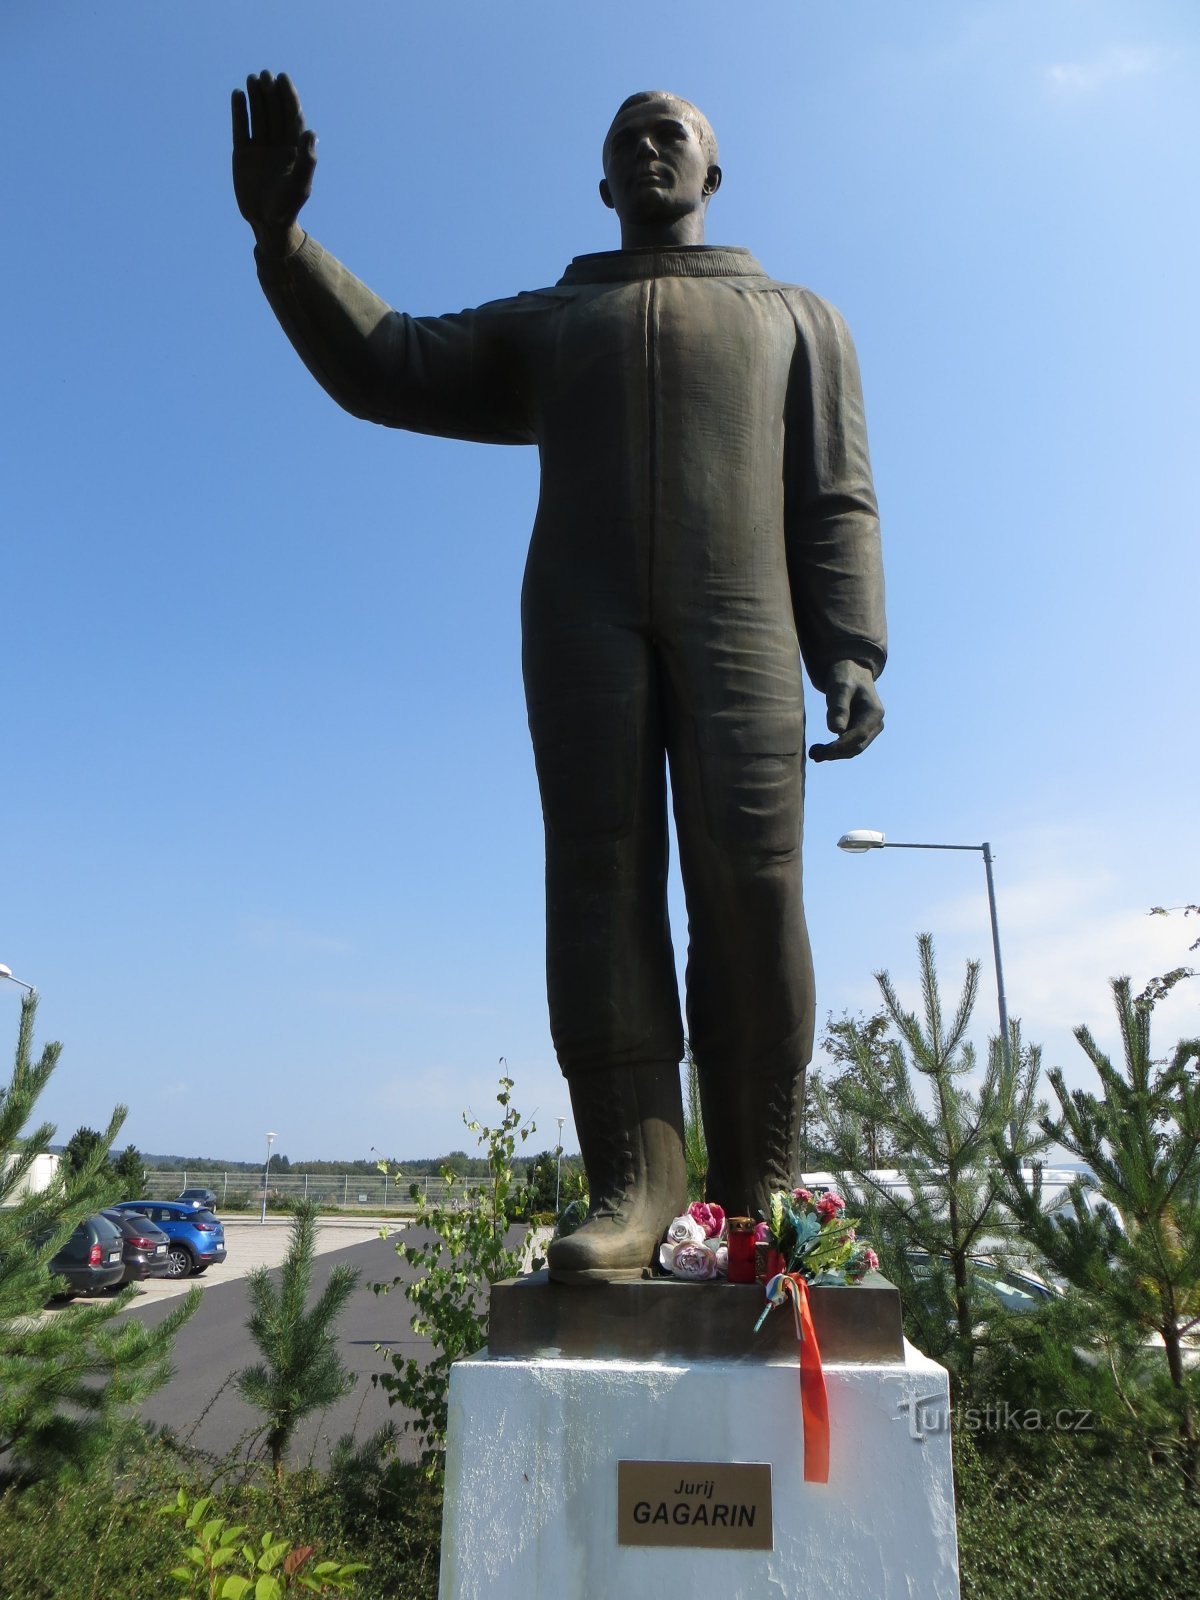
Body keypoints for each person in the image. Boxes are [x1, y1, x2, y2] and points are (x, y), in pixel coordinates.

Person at [232, 75, 887, 1283]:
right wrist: (284, 246)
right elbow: (394, 363)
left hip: (745, 615)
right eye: (627, 141)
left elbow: (834, 494)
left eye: (670, 136)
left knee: (754, 886)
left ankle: (760, 1189)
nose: (649, 151)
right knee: (599, 881)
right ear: (601, 183)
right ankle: (635, 1183)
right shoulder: (555, 319)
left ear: (710, 172)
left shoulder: (799, 315)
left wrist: (847, 644)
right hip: (581, 619)